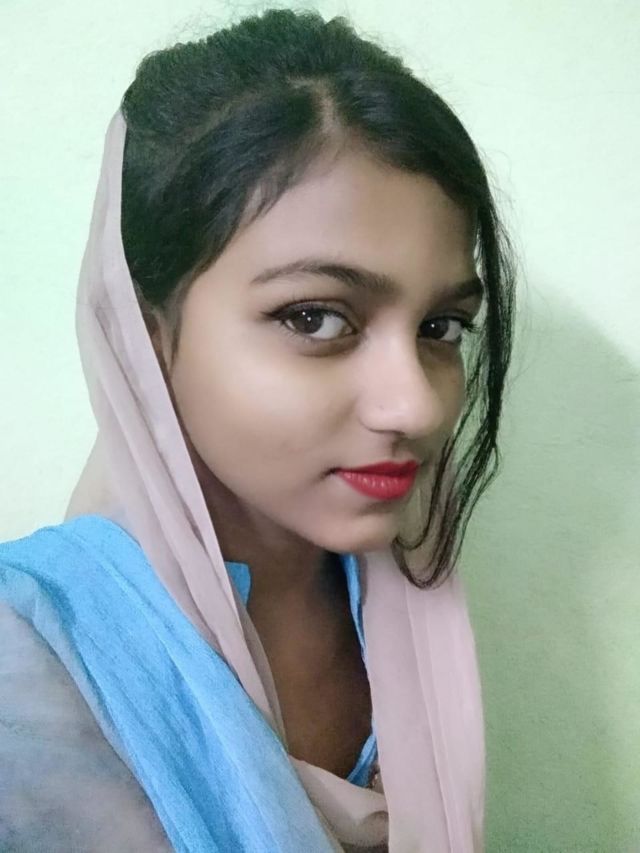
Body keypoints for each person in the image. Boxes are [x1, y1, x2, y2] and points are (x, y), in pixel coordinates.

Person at [0, 8, 515, 852]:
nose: (418, 407)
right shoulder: (26, 656)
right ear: (145, 336)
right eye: (314, 317)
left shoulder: (404, 606)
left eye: (441, 327)